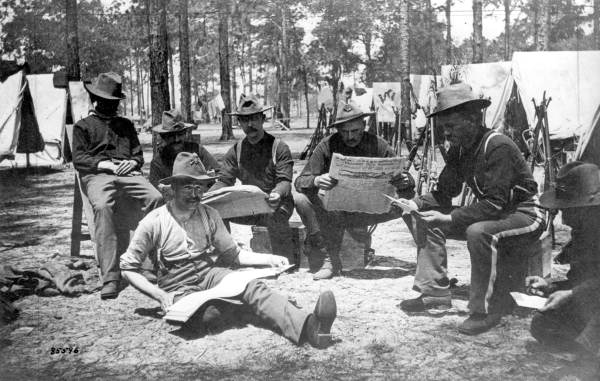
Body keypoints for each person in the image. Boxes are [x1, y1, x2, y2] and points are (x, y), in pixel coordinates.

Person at [120, 152, 337, 348]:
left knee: (252, 287)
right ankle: (264, 307)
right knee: (210, 316)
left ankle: (311, 327)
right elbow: (128, 268)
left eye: (199, 187)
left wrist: (269, 259)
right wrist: (159, 295)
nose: (195, 194)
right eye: (188, 187)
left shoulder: (209, 214)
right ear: (172, 188)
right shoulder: (154, 221)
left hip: (208, 272)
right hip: (177, 283)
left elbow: (233, 254)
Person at [396, 83, 545, 335]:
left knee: (479, 232)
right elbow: (445, 192)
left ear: (473, 120)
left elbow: (496, 203)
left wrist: (450, 218)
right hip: (497, 213)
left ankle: (484, 310)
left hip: (526, 213)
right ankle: (434, 291)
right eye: (444, 127)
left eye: (451, 126)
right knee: (422, 218)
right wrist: (415, 204)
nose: (447, 133)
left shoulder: (497, 146)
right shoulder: (460, 149)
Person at [294, 102, 414, 280]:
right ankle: (330, 259)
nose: (350, 136)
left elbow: (405, 179)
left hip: (372, 208)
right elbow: (300, 181)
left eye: (355, 131)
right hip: (335, 210)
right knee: (300, 199)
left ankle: (427, 264)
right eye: (344, 132)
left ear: (364, 126)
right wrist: (317, 180)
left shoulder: (378, 144)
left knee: (413, 204)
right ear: (338, 130)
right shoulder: (326, 145)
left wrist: (406, 180)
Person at [72, 72, 162, 300]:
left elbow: (138, 155)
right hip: (98, 174)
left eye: (113, 102)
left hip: (128, 173)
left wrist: (132, 162)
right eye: (105, 101)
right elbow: (79, 159)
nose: (109, 106)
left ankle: (146, 265)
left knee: (155, 198)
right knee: (102, 206)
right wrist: (105, 165)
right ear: (95, 99)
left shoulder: (125, 125)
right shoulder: (83, 126)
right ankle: (111, 276)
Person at [209, 95, 296, 264]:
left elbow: (285, 182)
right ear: (239, 123)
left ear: (263, 119)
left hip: (277, 203)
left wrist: (277, 193)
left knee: (276, 217)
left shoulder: (279, 147)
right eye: (245, 120)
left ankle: (284, 261)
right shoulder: (236, 150)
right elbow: (224, 180)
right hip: (250, 206)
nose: (250, 125)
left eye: (254, 119)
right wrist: (208, 197)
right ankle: (227, 256)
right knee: (216, 211)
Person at [527, 161, 600, 362]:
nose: (565, 219)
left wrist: (571, 294)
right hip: (592, 302)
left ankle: (586, 358)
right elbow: (583, 278)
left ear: (589, 207)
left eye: (569, 209)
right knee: (542, 323)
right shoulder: (585, 232)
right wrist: (550, 286)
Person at [148, 109, 220, 189]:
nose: (177, 139)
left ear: (185, 133)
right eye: (171, 135)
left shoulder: (196, 150)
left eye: (180, 134)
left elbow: (218, 172)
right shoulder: (158, 162)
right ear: (164, 137)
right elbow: (156, 190)